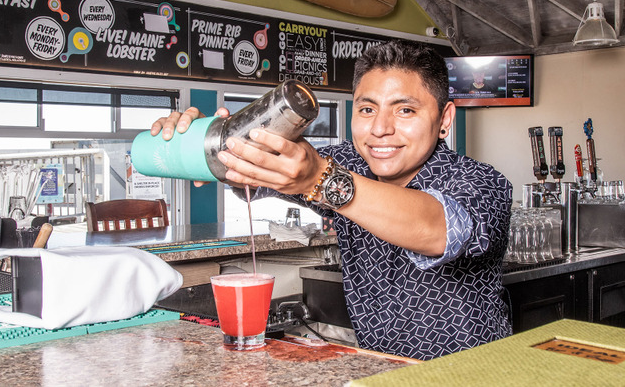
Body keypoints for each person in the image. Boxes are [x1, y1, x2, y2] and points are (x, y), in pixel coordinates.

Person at [151, 40, 513, 360]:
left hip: (468, 375)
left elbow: (436, 229)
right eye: (367, 109)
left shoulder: (483, 183)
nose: (380, 129)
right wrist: (197, 144)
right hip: (381, 371)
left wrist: (319, 179)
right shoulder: (349, 164)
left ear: (444, 119)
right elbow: (263, 166)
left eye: (405, 110)